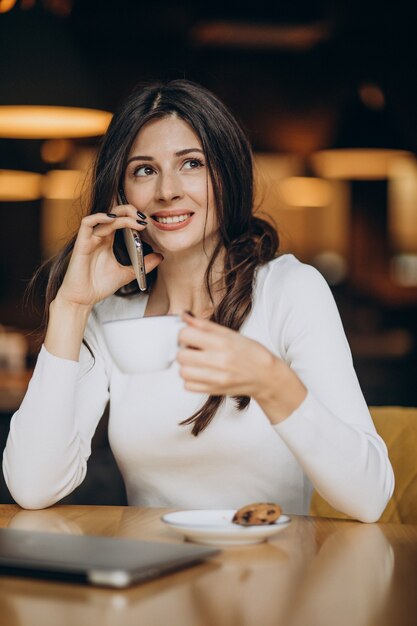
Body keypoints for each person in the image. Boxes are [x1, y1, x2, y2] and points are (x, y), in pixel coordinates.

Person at [3, 79, 394, 521]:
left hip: (271, 578)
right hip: (150, 579)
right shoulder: (112, 313)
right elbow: (33, 486)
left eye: (191, 164)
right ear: (123, 196)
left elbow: (369, 498)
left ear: (227, 175)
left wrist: (272, 381)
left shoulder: (290, 290)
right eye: (144, 170)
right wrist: (71, 307)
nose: (167, 190)